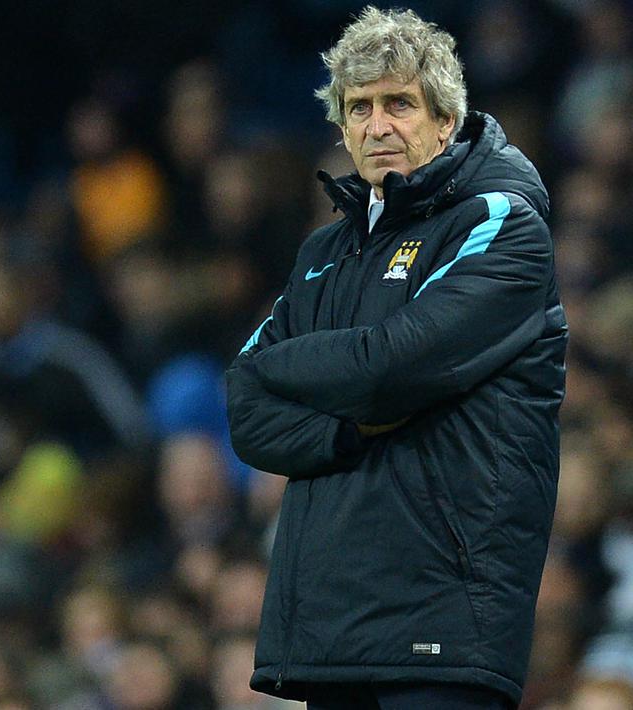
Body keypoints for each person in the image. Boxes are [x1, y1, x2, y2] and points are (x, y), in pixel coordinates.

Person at [225, 7, 566, 710]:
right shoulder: (324, 252)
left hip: (441, 617)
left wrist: (288, 370)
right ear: (342, 130)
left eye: (398, 103)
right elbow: (245, 407)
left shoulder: (497, 222)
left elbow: (388, 368)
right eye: (358, 108)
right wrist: (346, 429)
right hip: (327, 625)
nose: (377, 125)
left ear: (445, 119)